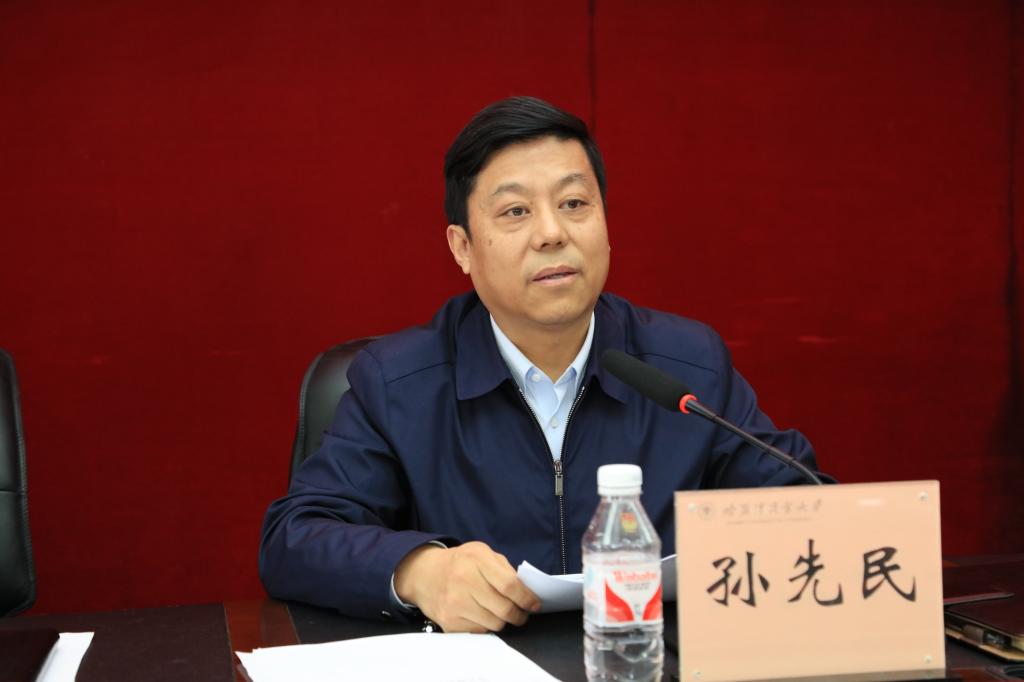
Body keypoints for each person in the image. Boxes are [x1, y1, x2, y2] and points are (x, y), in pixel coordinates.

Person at [259, 96, 823, 634]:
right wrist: (417, 570)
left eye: (574, 204)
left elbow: (807, 508)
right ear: (462, 247)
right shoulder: (398, 382)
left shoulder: (688, 366)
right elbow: (295, 538)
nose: (553, 233)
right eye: (516, 211)